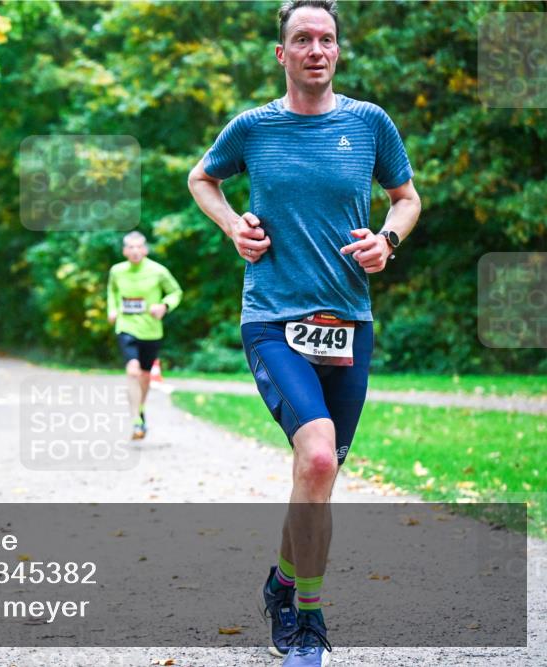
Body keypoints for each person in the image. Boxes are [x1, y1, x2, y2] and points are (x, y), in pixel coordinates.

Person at [186, 1, 421, 664]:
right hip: (273, 319)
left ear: (337, 50)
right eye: (302, 39)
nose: (316, 48)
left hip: (350, 322)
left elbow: (406, 197)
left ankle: (282, 582)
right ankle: (307, 621)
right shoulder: (253, 128)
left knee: (319, 473)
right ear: (282, 54)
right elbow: (200, 177)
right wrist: (233, 225)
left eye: (326, 38)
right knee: (316, 457)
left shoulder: (370, 123)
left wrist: (388, 240)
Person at [106, 231, 182, 440]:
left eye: (139, 246)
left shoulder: (158, 271)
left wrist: (164, 306)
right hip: (126, 326)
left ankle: (139, 409)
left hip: (151, 330)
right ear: (124, 251)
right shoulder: (117, 271)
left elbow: (176, 292)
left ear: (145, 249)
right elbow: (111, 292)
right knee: (133, 371)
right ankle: (135, 420)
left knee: (146, 376)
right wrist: (111, 309)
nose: (135, 251)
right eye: (130, 247)